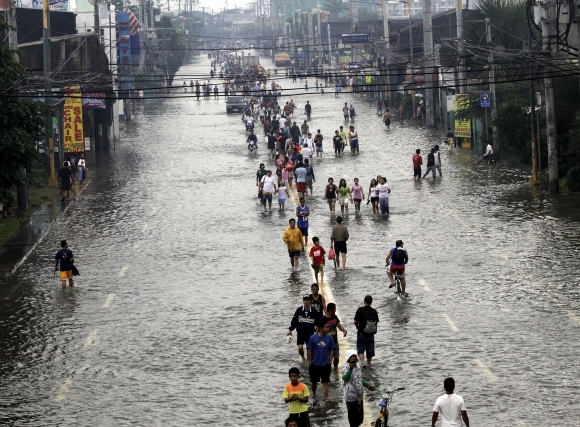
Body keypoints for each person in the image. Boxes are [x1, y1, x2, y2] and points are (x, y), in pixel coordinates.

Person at [342, 349, 376, 426]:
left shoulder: (357, 367)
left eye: (354, 356)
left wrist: (367, 385)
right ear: (348, 358)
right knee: (353, 419)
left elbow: (359, 379)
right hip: (350, 398)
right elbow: (345, 378)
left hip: (359, 397)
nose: (353, 358)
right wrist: (350, 369)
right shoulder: (345, 368)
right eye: (351, 357)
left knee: (359, 418)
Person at [307, 317, 335, 399]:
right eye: (326, 327)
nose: (328, 328)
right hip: (315, 364)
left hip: (325, 364)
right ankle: (314, 394)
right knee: (314, 382)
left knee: (325, 382)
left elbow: (331, 350)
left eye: (328, 327)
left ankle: (325, 399)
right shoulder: (313, 338)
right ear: (321, 328)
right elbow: (309, 351)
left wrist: (330, 362)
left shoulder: (330, 338)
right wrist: (310, 363)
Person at [287, 295, 321, 359]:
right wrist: (290, 330)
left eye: (307, 300)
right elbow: (294, 321)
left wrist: (317, 331)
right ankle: (302, 357)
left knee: (309, 350)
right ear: (303, 301)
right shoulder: (299, 310)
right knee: (300, 349)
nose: (306, 301)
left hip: (310, 333)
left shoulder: (314, 311)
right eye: (305, 300)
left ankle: (309, 362)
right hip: (300, 333)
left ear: (310, 301)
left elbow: (317, 322)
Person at [353, 295, 378, 367]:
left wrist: (357, 327)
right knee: (370, 350)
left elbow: (355, 321)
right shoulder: (374, 311)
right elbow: (376, 322)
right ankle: (369, 364)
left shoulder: (360, 310)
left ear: (364, 301)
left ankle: (362, 362)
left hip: (362, 332)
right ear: (371, 302)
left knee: (361, 348)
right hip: (371, 334)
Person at [325, 303, 347, 368]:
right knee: (328, 357)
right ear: (331, 310)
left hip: (334, 341)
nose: (335, 310)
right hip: (326, 342)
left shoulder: (335, 317)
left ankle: (335, 369)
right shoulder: (323, 319)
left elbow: (339, 325)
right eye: (334, 309)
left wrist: (344, 331)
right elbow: (319, 330)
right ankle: (328, 368)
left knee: (336, 356)